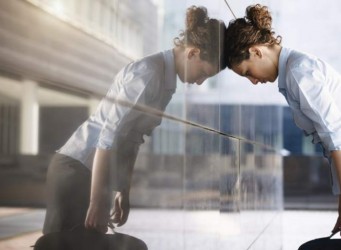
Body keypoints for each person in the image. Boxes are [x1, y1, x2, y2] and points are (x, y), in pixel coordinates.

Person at [43, 5, 227, 235]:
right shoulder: (149, 73)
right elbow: (108, 136)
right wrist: (97, 199)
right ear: (192, 53)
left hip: (93, 176)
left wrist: (122, 189)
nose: (199, 82)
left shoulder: (166, 82)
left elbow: (133, 139)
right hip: (76, 170)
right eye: (203, 74)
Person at [224, 4, 341, 237]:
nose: (253, 81)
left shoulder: (298, 72)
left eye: (248, 72)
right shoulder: (293, 72)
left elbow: (336, 138)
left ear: (256, 51)